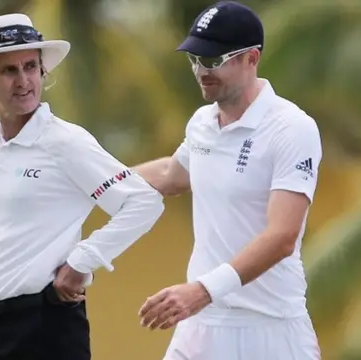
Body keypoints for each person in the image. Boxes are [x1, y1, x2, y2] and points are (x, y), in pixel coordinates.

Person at [0, 13, 164, 360]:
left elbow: (143, 201)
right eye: (9, 70)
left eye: (31, 67)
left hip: (43, 328)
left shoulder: (64, 141)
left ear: (43, 70)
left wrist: (82, 262)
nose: (23, 80)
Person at [133, 2, 322, 359]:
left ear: (252, 58)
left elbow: (282, 237)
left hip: (270, 328)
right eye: (195, 60)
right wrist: (94, 181)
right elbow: (172, 176)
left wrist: (202, 290)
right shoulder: (203, 122)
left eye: (213, 61)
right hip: (201, 325)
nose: (201, 70)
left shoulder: (291, 128)